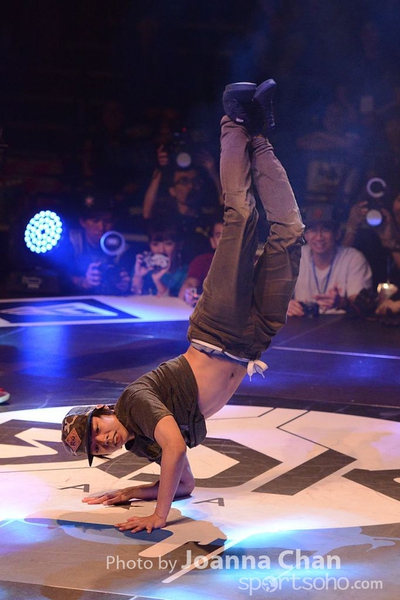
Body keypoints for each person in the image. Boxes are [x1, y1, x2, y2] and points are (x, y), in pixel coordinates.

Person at [61, 79, 304, 534]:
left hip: (217, 329)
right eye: (97, 448)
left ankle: (232, 119)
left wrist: (158, 514)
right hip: (250, 342)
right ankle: (257, 132)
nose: (104, 440)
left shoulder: (134, 404)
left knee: (242, 217)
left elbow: (175, 448)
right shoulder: (141, 443)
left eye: (96, 430)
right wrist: (134, 490)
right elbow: (187, 484)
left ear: (103, 412)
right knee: (289, 232)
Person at [287, 203, 373, 317]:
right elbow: (273, 295)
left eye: (325, 230)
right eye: (313, 230)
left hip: (341, 324)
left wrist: (342, 302)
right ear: (305, 235)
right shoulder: (295, 256)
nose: (319, 237)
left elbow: (363, 305)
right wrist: (284, 305)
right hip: (303, 322)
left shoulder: (353, 258)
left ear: (337, 234)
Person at [64, 191, 135, 295]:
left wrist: (124, 285)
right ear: (83, 222)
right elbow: (60, 275)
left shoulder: (122, 248)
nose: (101, 227)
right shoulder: (71, 242)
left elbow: (128, 281)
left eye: (107, 221)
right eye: (95, 220)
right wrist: (84, 282)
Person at [131, 221, 189, 297]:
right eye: (155, 244)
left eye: (168, 244)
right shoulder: (143, 268)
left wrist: (157, 281)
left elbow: (178, 302)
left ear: (179, 245)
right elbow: (132, 298)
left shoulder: (185, 273)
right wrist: (138, 276)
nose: (161, 250)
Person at [178, 215, 224, 306]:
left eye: (231, 235)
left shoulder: (252, 264)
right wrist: (188, 291)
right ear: (213, 241)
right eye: (219, 235)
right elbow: (190, 284)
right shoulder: (202, 261)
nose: (225, 239)